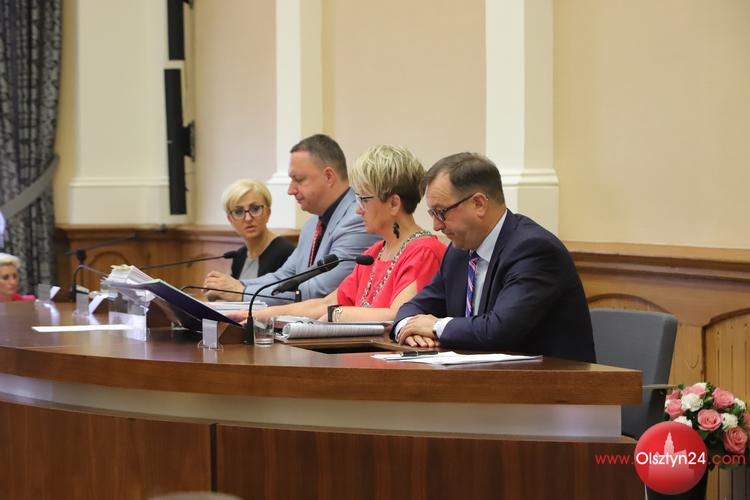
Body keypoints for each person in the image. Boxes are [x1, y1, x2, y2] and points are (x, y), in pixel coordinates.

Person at [393, 153, 595, 363]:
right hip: (479, 376)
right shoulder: (458, 252)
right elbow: (413, 307)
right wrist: (409, 328)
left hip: (548, 380)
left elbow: (499, 330)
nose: (436, 226)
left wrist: (435, 326)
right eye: (432, 214)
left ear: (479, 203)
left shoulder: (533, 249)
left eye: (441, 212)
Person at [251, 145, 446, 323]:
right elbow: (325, 304)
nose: (358, 209)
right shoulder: (373, 253)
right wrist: (259, 315)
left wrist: (338, 313)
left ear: (394, 203)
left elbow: (399, 316)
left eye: (364, 200)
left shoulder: (424, 251)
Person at [204, 134, 381, 303]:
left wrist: (242, 293)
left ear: (329, 176)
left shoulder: (358, 219)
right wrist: (235, 285)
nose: (291, 190)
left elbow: (319, 291)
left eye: (299, 179)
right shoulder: (312, 224)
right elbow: (284, 276)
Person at [202, 180, 295, 296]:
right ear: (230, 219)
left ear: (268, 213)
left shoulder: (286, 252)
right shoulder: (239, 255)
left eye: (255, 209)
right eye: (238, 211)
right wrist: (218, 294)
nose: (248, 218)